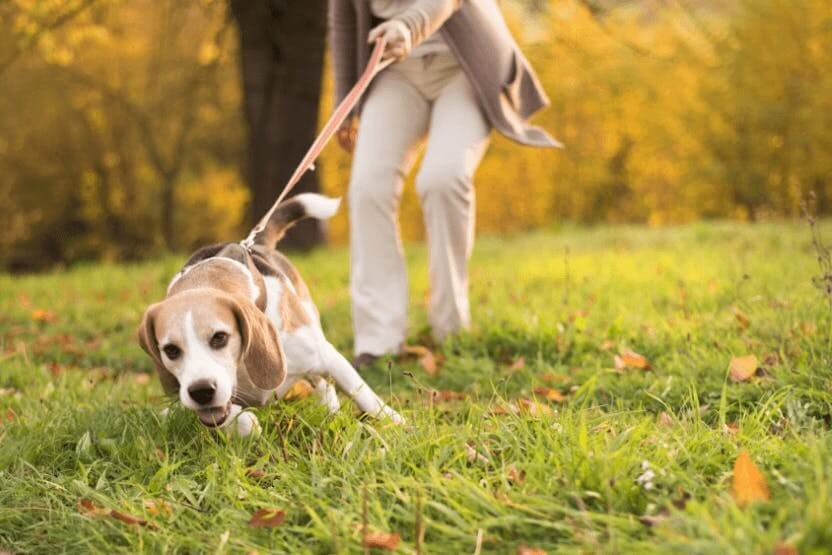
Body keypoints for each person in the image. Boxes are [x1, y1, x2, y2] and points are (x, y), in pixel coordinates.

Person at [329, 0, 560, 367]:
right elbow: (343, 17)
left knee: (443, 178)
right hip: (396, 71)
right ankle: (378, 341)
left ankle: (450, 327)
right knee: (367, 187)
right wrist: (346, 101)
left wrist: (407, 26)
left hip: (465, 66)